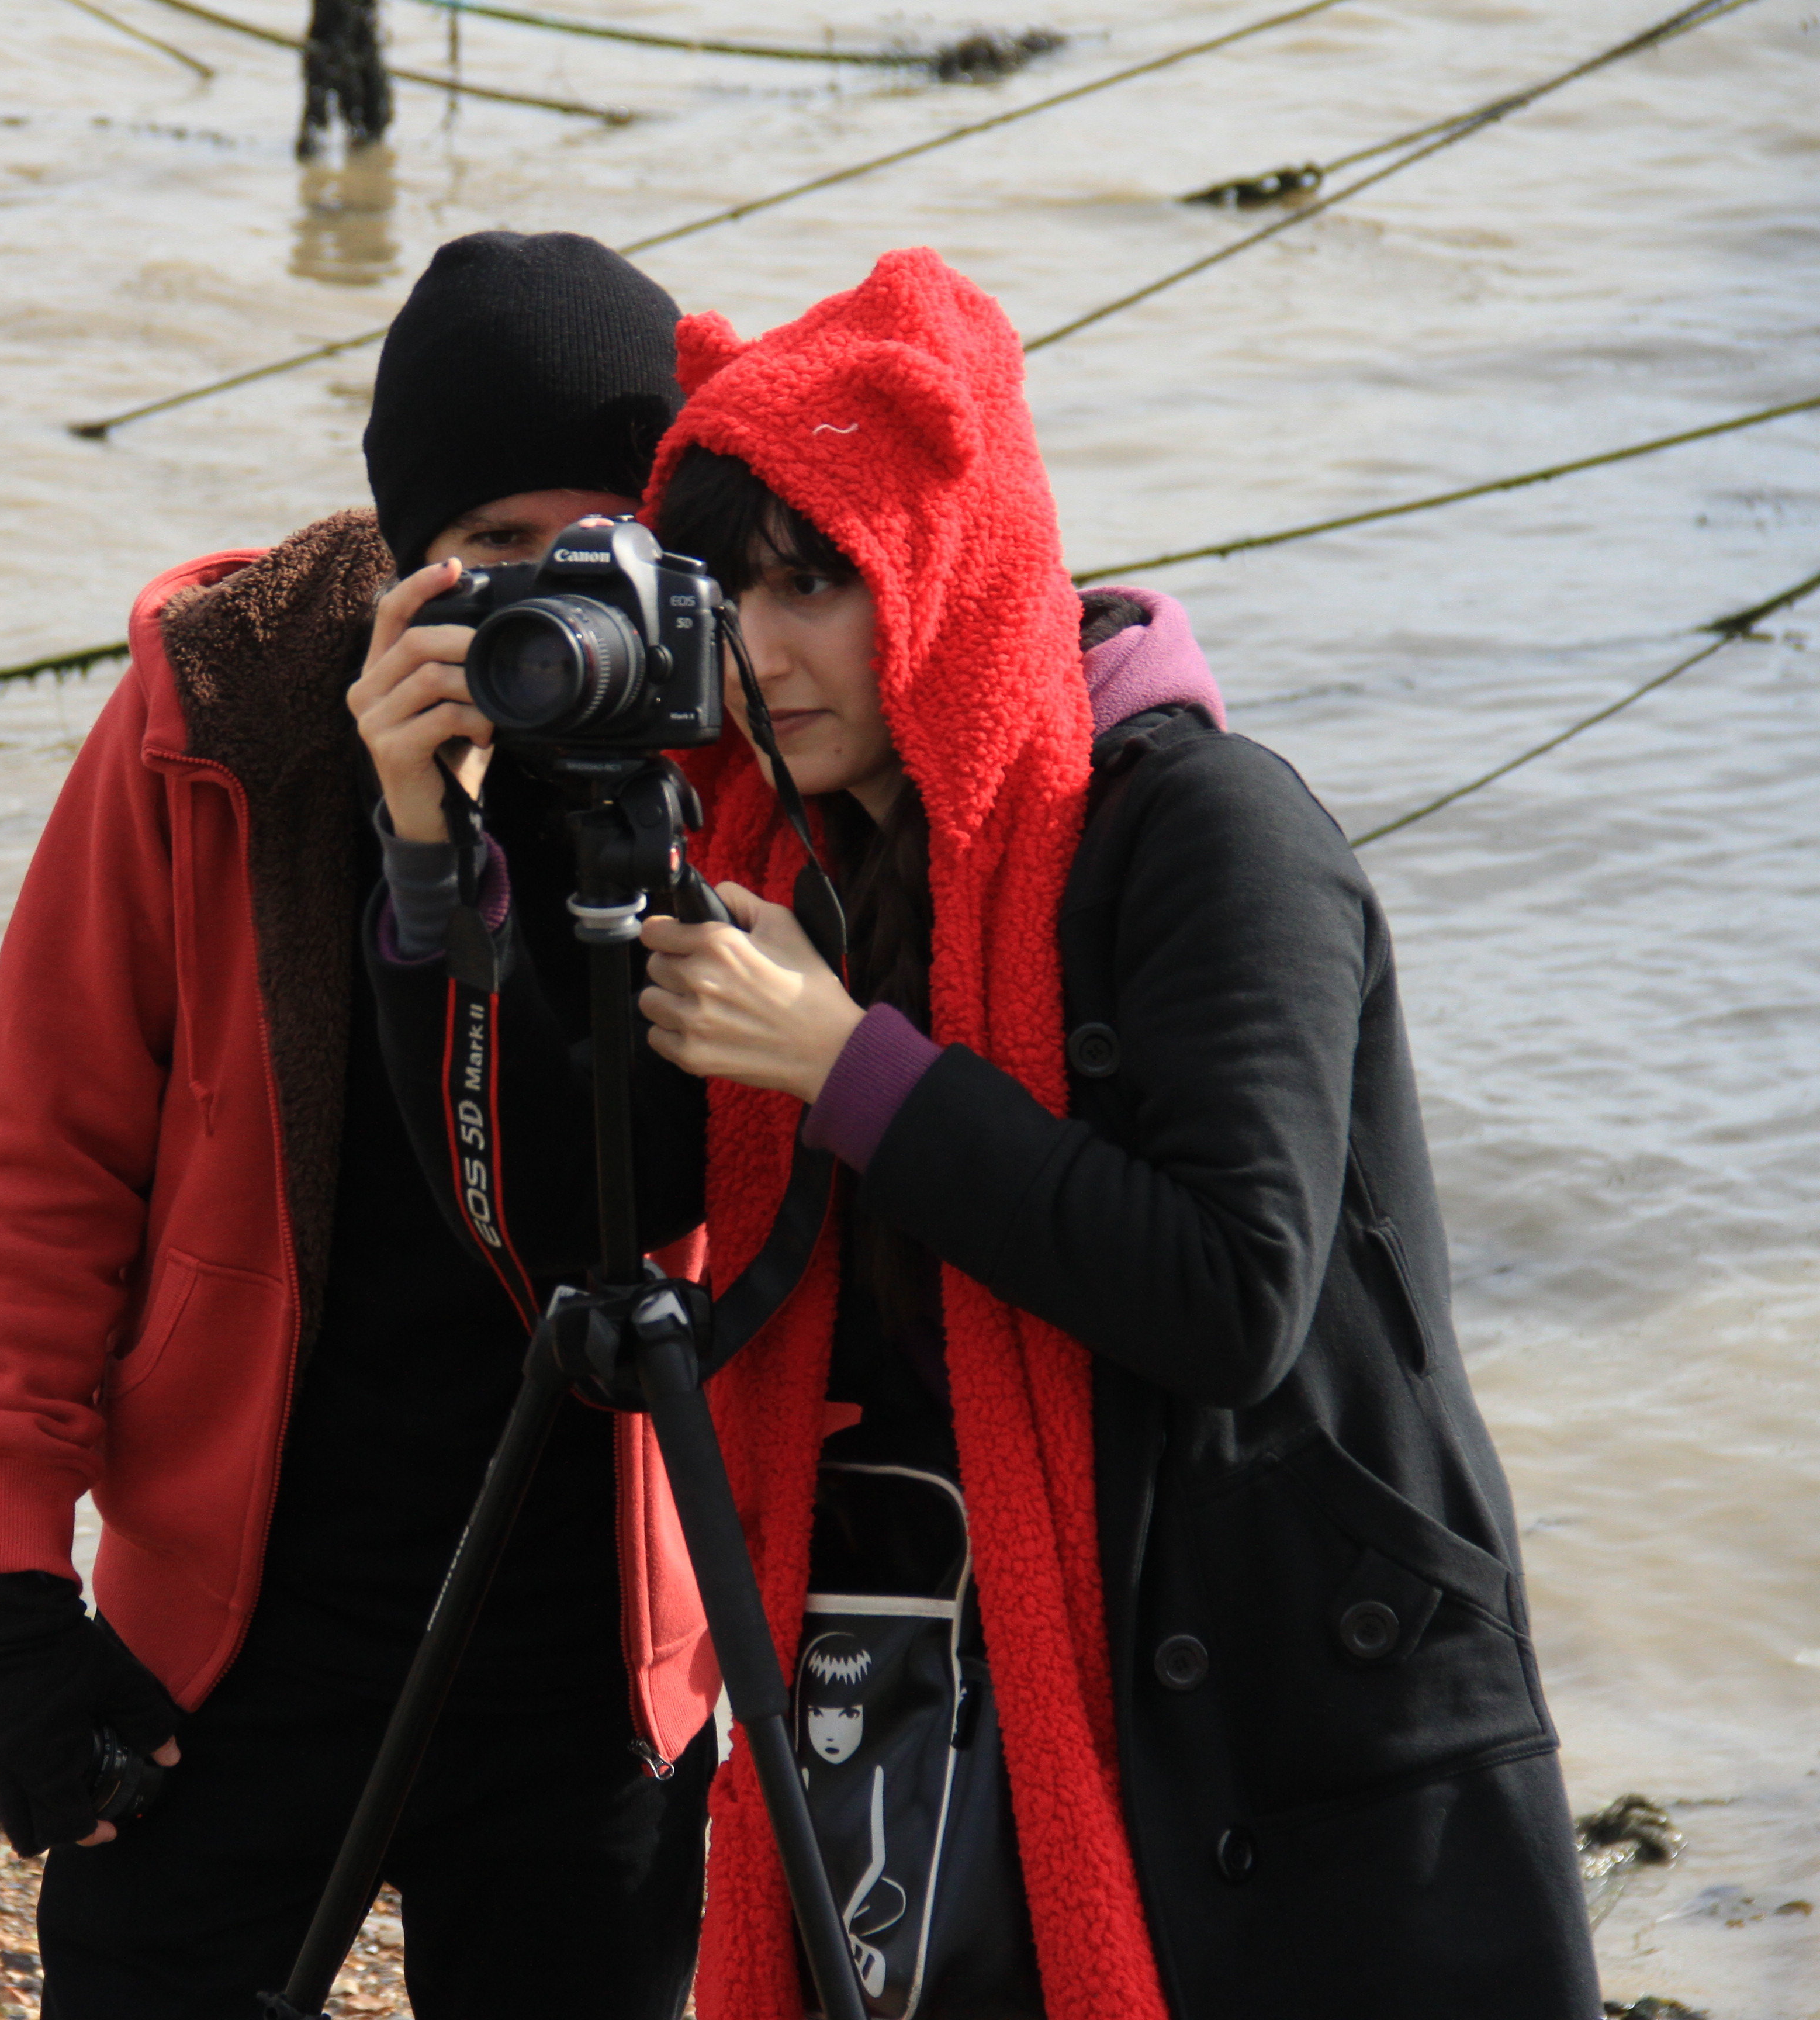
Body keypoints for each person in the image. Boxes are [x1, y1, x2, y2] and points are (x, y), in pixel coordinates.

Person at [621, 250, 1599, 2017]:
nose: (763, 655)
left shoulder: (1212, 833)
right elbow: (604, 1230)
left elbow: (1234, 1294)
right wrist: (430, 868)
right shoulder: (810, 879)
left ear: (947, 564)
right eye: (730, 597)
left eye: (819, 582)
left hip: (1294, 1728)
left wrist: (852, 1070)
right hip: (970, 1706)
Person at [0, 230, 722, 2019]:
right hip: (242, 1623)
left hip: (589, 1641)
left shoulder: (725, 727)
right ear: (400, 550)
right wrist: (6, 1580)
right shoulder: (229, 713)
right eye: (496, 551)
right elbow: (47, 1153)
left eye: (603, 545)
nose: (555, 608)